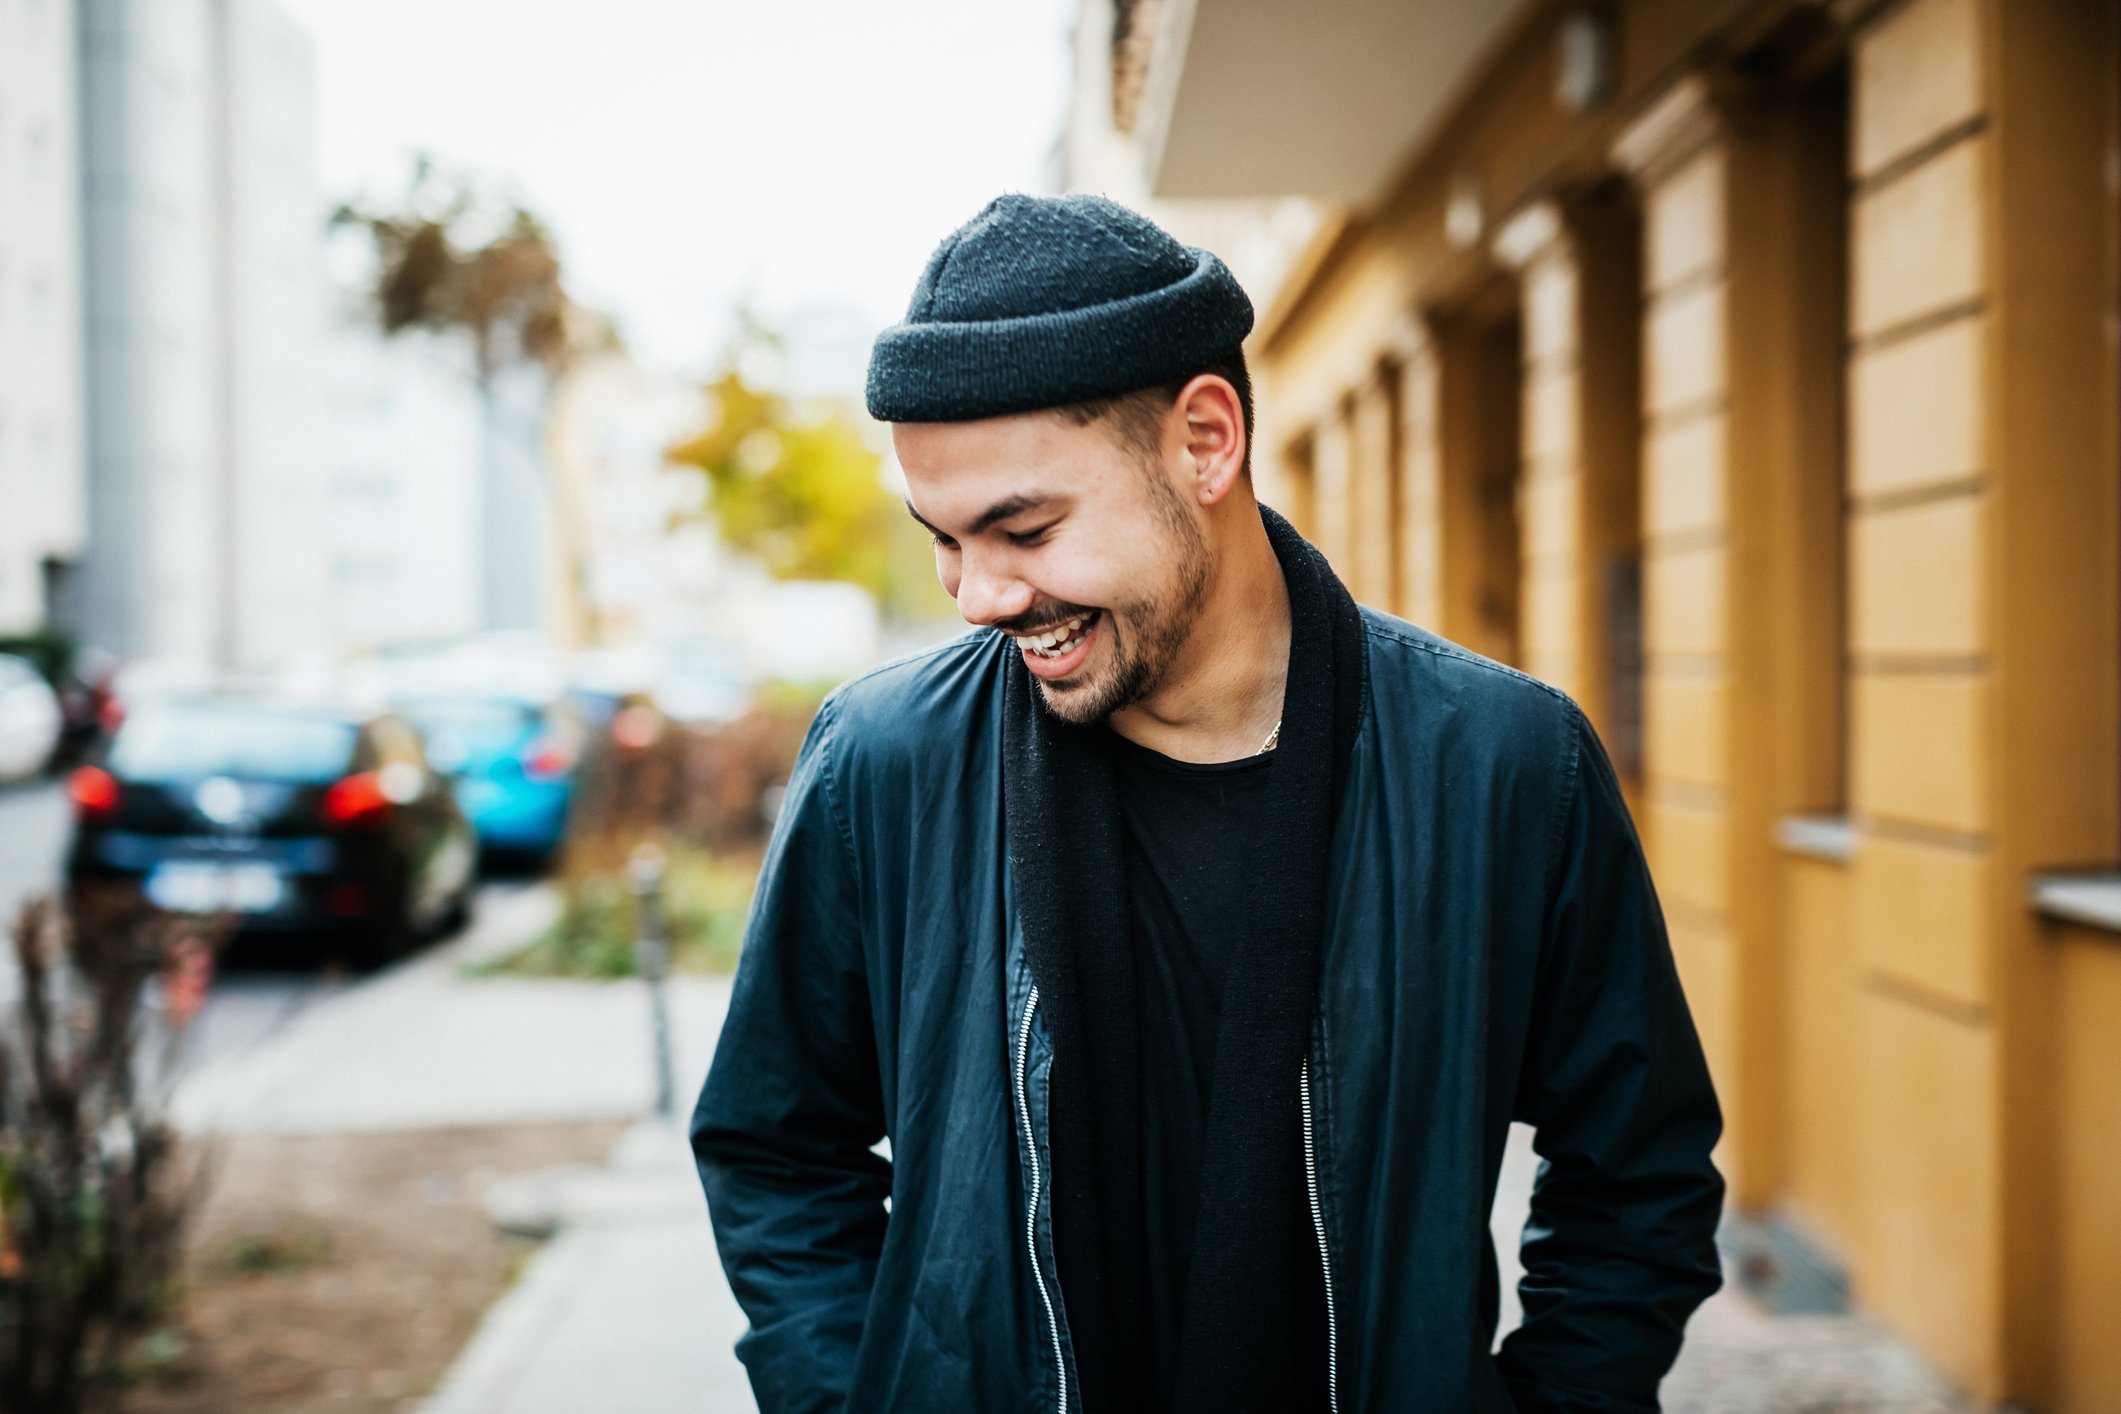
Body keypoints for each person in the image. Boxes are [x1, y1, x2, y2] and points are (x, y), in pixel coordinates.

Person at [692, 194, 1725, 1414]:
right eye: (945, 539)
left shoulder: (1504, 763)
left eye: (1021, 529)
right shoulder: (880, 763)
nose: (977, 595)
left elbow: (1638, 1172)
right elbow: (775, 1148)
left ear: (1205, 441)